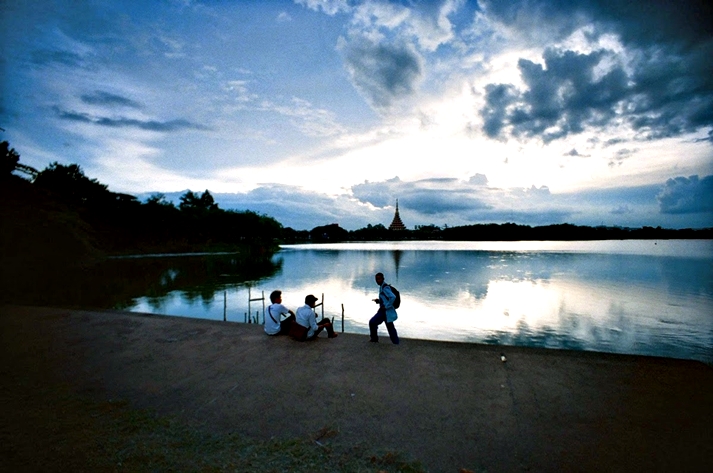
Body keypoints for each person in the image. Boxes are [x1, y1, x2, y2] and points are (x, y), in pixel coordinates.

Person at [369, 272, 399, 344]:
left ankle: (374, 339)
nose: (377, 281)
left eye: (379, 279)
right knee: (390, 327)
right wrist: (379, 301)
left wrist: (386, 306)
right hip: (386, 311)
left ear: (383, 279)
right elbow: (386, 299)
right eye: (376, 279)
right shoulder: (382, 287)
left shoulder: (385, 288)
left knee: (372, 322)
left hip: (384, 311)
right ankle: (396, 343)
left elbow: (393, 297)